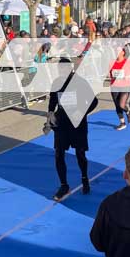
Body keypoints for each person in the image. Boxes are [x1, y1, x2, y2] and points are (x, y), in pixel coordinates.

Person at [48, 59, 98, 201]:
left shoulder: (80, 82)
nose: (62, 71)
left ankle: (85, 178)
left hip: (77, 123)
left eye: (64, 68)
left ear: (70, 68)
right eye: (60, 69)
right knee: (59, 153)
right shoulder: (56, 82)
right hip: (61, 123)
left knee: (80, 153)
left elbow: (94, 102)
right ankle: (64, 185)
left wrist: (81, 112)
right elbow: (52, 101)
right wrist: (50, 114)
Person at [109, 46, 130, 130]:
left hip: (125, 85)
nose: (117, 52)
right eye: (116, 51)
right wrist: (112, 76)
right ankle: (122, 123)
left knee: (121, 104)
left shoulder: (127, 62)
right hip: (114, 86)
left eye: (119, 51)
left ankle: (128, 112)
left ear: (123, 52)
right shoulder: (112, 62)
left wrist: (128, 76)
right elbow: (110, 73)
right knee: (117, 105)